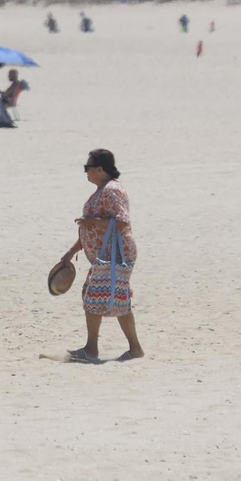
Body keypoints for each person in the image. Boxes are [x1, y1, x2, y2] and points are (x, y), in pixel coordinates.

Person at [56, 149, 142, 362]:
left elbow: (122, 221)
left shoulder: (112, 190)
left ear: (100, 169)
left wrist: (93, 222)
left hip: (116, 256)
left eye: (88, 167)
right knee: (116, 300)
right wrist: (71, 252)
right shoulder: (101, 190)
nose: (86, 172)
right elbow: (89, 229)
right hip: (105, 257)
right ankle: (134, 349)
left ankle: (92, 349)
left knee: (95, 297)